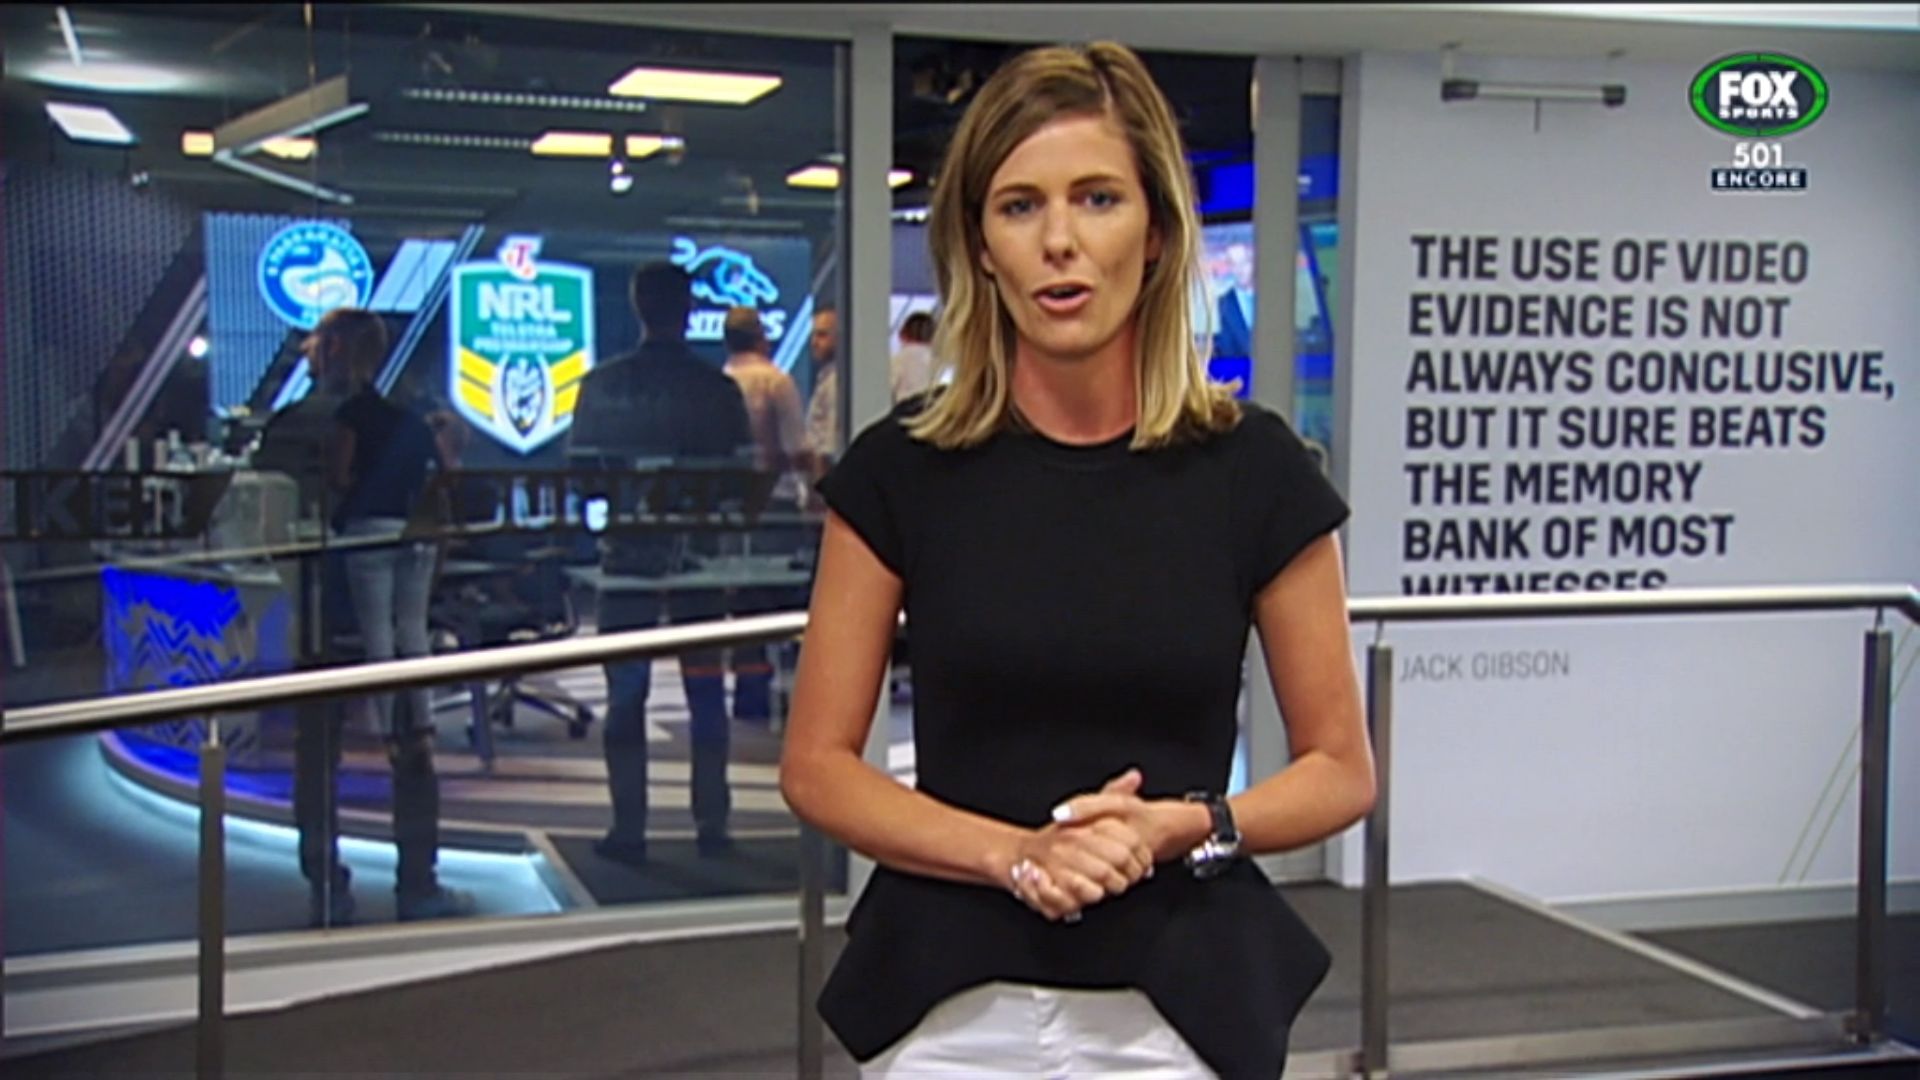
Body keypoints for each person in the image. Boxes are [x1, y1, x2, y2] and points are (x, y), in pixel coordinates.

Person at [778, 41, 1376, 1079]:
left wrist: (1183, 827)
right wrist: (1016, 855)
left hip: (1177, 1005)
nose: (1060, 242)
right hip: (947, 1007)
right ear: (980, 244)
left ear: (1156, 232)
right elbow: (817, 766)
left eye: (1098, 199)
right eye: (1020, 207)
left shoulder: (1256, 471)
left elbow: (1339, 770)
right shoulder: (901, 472)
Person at [268, 307, 471, 925]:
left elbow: (264, 519)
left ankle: (327, 886)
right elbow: (436, 513)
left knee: (318, 752)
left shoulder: (288, 427)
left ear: (331, 349)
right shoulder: (405, 423)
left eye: (316, 344)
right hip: (370, 597)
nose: (309, 352)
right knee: (408, 734)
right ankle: (417, 884)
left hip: (315, 608)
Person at [568, 262, 754, 864]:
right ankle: (712, 824)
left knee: (626, 695)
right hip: (699, 558)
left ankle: (629, 829)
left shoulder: (602, 385)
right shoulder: (716, 390)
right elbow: (741, 480)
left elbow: (581, 478)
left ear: (637, 305)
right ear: (688, 307)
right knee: (705, 692)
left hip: (626, 556)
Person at [720, 305, 808, 722]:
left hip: (735, 507)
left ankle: (749, 697)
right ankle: (794, 698)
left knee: (744, 605)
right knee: (784, 606)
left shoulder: (721, 382)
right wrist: (816, 495)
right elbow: (797, 447)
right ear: (762, 337)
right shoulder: (776, 381)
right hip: (777, 504)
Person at [801, 307, 841, 482]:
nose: (814, 342)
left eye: (822, 335)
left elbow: (828, 448)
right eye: (813, 335)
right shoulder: (825, 376)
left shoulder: (836, 383)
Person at [1213, 240, 1255, 359]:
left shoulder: (1273, 299)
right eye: (1234, 264)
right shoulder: (1222, 305)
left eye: (1243, 262)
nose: (1239, 270)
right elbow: (1224, 350)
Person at [889, 311, 938, 403]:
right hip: (931, 406)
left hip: (905, 407)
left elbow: (889, 387)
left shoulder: (897, 359)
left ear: (902, 334)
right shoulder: (936, 361)